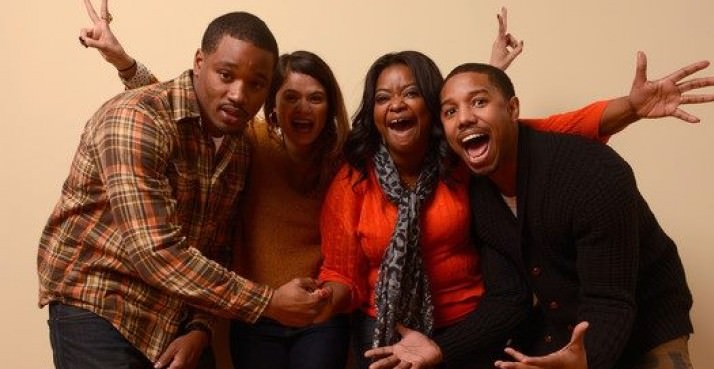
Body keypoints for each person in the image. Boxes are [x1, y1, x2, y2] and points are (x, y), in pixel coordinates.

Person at [367, 56, 714, 369]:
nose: (465, 117)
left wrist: (586, 361)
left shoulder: (594, 174)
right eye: (450, 111)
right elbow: (509, 298)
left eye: (479, 102)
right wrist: (440, 349)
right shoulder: (477, 192)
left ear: (513, 109)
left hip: (646, 320)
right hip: (565, 325)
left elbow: (610, 302)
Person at [39, 9, 332, 369]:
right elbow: (156, 252)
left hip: (178, 317)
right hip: (100, 303)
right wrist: (268, 302)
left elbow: (217, 242)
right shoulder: (135, 119)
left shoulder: (238, 144)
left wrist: (201, 327)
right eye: (226, 75)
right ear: (199, 61)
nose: (239, 94)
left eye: (256, 84)